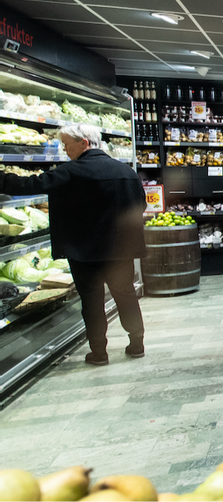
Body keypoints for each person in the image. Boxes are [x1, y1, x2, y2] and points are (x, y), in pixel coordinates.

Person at [0, 123, 146, 365]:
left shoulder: (70, 172)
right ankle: (137, 344)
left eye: (67, 145)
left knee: (91, 301)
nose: (65, 150)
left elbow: (29, 185)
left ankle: (98, 353)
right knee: (126, 295)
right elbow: (140, 206)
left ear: (84, 143)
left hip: (84, 252)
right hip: (121, 250)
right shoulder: (126, 172)